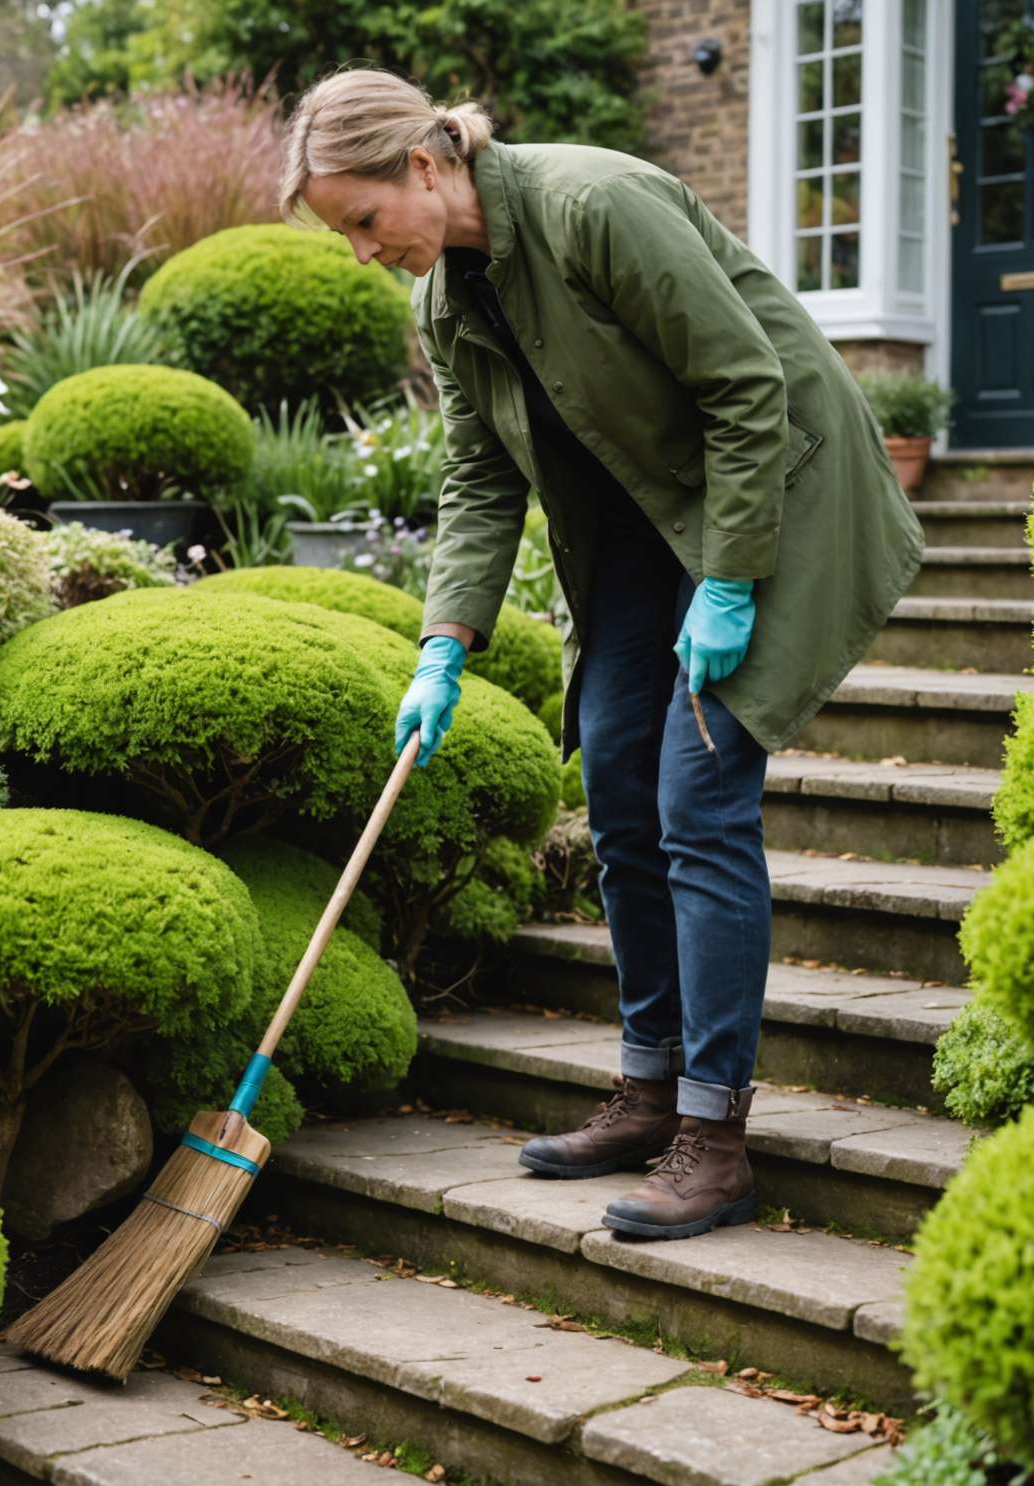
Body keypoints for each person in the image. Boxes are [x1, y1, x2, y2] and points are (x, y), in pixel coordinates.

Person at [281, 67, 923, 1241]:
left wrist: (729, 581)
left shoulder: (594, 205)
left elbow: (747, 385)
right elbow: (479, 479)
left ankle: (715, 1139)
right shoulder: (445, 302)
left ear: (424, 165)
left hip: (772, 495)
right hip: (633, 536)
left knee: (697, 797)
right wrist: (442, 647)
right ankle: (647, 1088)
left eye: (363, 223)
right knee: (620, 788)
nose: (363, 252)